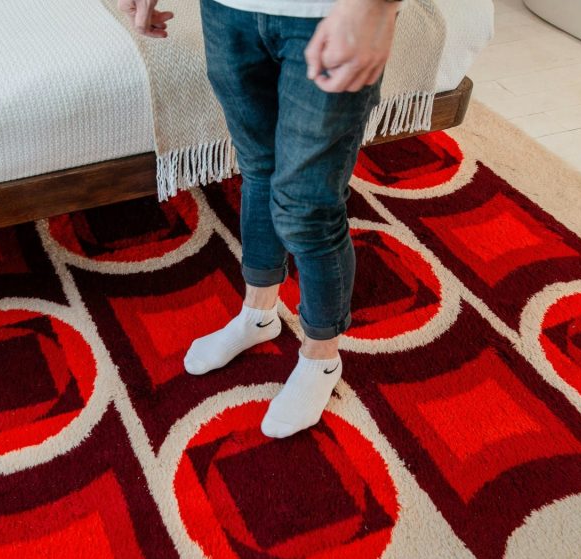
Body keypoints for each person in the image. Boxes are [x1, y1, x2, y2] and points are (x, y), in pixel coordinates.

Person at [117, 0, 402, 437]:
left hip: (327, 12)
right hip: (227, 10)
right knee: (258, 168)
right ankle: (258, 315)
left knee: (309, 206)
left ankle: (321, 357)